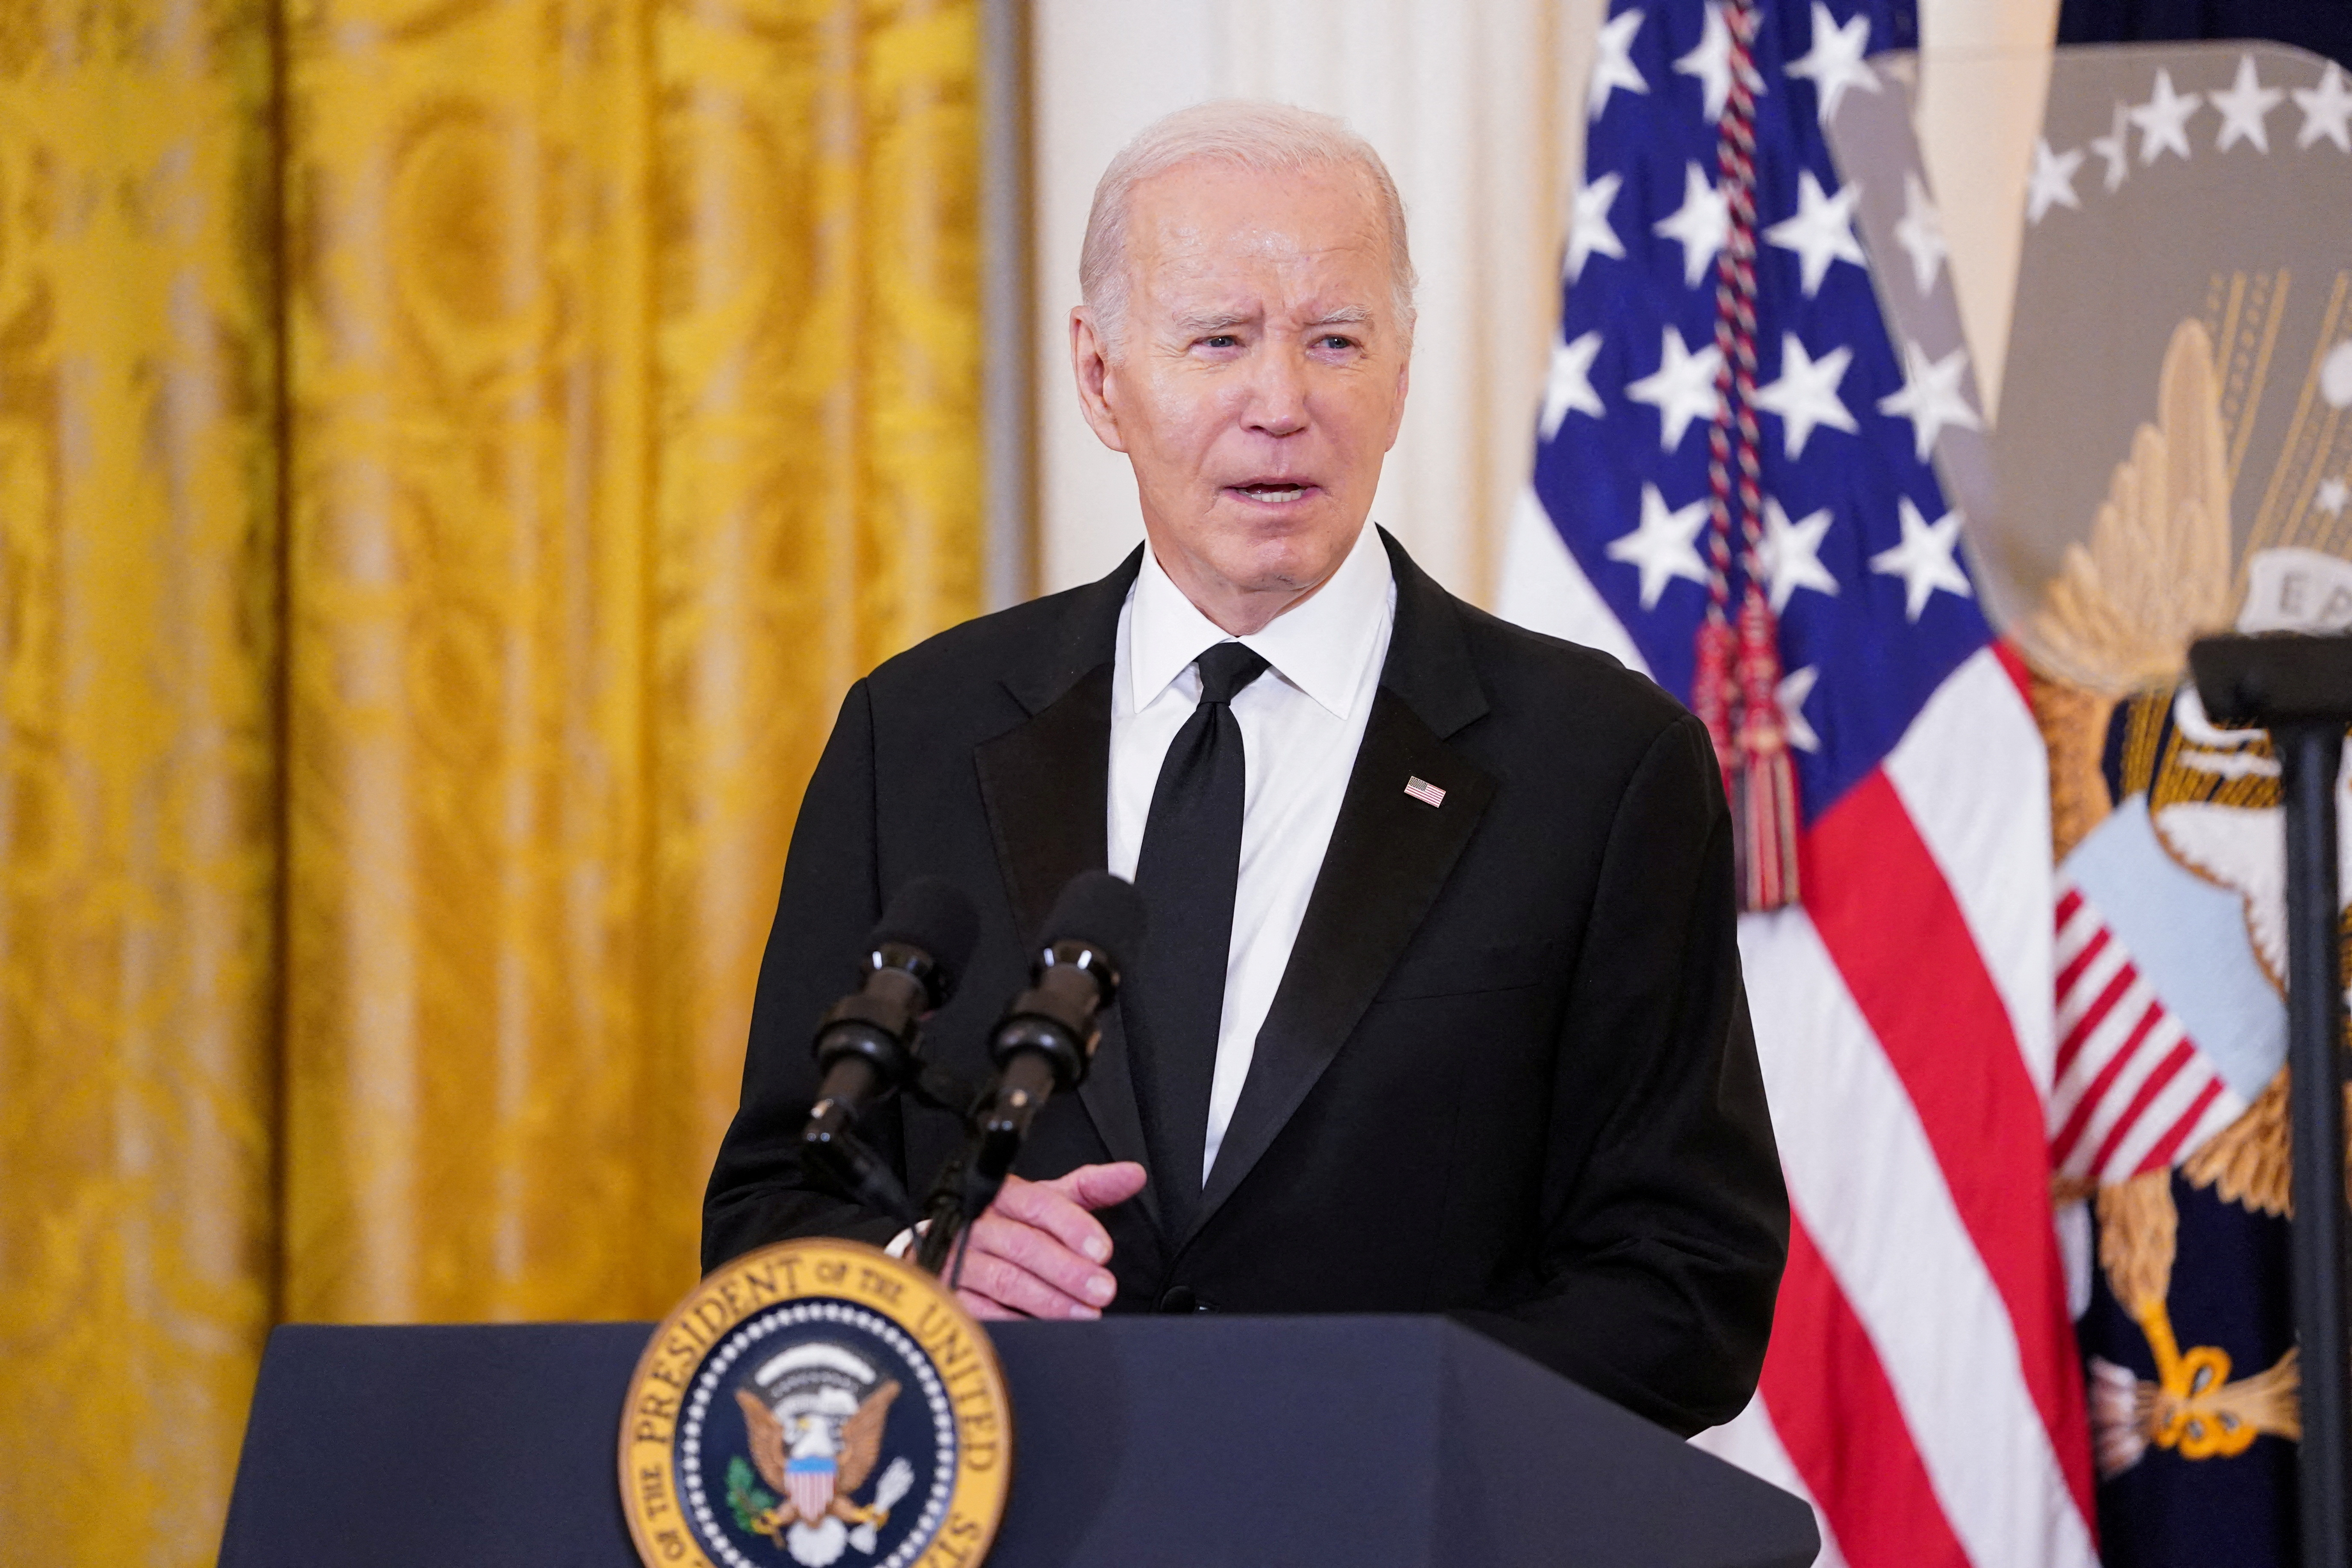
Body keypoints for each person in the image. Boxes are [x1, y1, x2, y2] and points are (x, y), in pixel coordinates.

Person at [702, 100, 1786, 1437]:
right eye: (1218, 341)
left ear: (1398, 376)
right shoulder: (912, 732)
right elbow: (766, 1211)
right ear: (1100, 379)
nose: (1281, 405)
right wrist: (921, 1273)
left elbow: (1689, 1288)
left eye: (1334, 341)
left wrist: (1351, 1418)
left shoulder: (1601, 765)